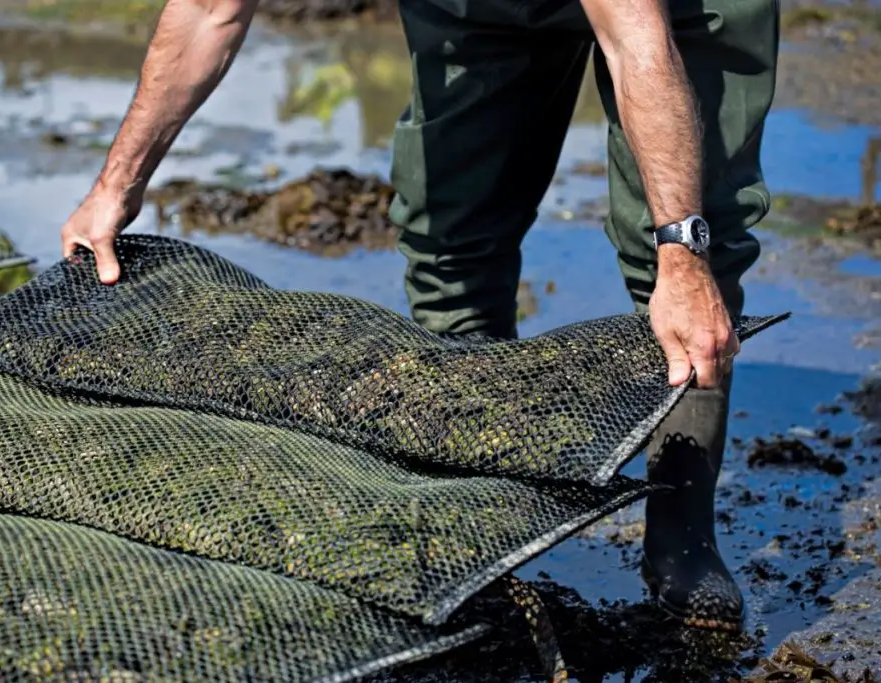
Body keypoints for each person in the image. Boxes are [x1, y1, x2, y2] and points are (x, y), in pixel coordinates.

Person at [59, 0, 778, 632]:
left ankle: (683, 534)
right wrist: (115, 186)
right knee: (449, 234)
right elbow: (208, 11)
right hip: (478, 9)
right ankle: (482, 512)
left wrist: (682, 254)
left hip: (672, 11)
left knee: (692, 245)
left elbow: (637, 41)